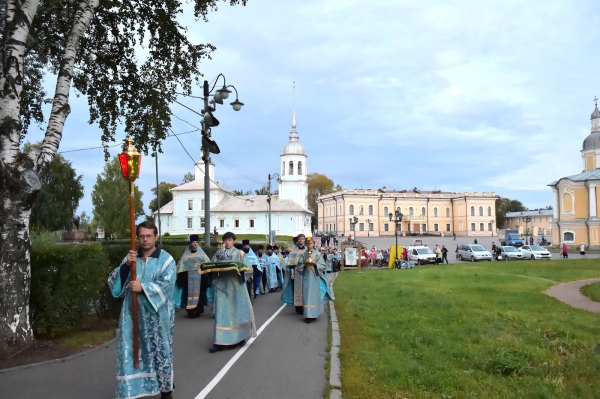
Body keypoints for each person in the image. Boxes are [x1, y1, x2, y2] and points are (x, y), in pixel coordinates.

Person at [107, 221, 176, 399]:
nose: (145, 239)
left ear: (155, 237)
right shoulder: (131, 258)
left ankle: (166, 391)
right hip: (132, 316)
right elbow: (114, 284)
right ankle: (130, 391)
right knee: (130, 352)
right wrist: (125, 267)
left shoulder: (166, 260)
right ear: (137, 237)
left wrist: (143, 287)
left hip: (157, 317)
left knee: (159, 352)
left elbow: (167, 285)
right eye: (142, 236)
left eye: (149, 236)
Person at [206, 232, 256, 353]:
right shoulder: (218, 254)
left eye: (229, 240)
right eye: (225, 240)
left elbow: (249, 269)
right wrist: (211, 274)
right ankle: (219, 341)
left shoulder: (240, 253)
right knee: (221, 314)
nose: (227, 242)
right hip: (222, 286)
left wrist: (241, 270)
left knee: (237, 312)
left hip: (236, 286)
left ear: (233, 240)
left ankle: (239, 338)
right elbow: (211, 266)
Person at [296, 236, 333, 323]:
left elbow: (323, 266)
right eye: (308, 243)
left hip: (315, 277)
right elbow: (298, 266)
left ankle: (314, 313)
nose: (309, 245)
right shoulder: (303, 255)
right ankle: (307, 315)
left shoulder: (317, 254)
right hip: (306, 278)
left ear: (313, 244)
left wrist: (315, 264)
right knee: (306, 296)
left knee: (314, 296)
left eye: (311, 243)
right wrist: (304, 264)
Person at [174, 234, 210, 318]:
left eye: (196, 242)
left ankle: (198, 310)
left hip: (200, 278)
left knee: (200, 294)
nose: (195, 244)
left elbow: (207, 263)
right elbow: (180, 265)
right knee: (188, 294)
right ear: (190, 243)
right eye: (193, 242)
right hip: (188, 278)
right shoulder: (186, 254)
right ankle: (190, 311)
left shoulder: (202, 254)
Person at [282, 234, 307, 314]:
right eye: (299, 239)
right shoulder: (293, 249)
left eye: (302, 239)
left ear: (304, 240)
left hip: (305, 271)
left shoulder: (307, 248)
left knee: (305, 289)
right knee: (297, 290)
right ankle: (298, 306)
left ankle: (305, 305)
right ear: (297, 240)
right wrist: (292, 273)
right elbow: (291, 263)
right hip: (296, 272)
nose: (301, 241)